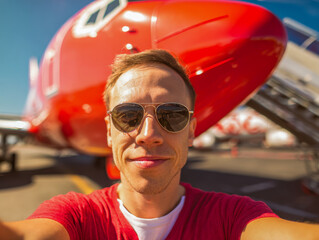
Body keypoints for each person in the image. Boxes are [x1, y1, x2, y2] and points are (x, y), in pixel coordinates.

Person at [1, 49, 318, 240]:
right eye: (127, 116)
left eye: (172, 115)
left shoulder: (233, 217)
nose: (148, 133)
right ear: (109, 131)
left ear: (192, 131)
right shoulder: (76, 214)